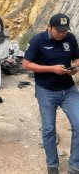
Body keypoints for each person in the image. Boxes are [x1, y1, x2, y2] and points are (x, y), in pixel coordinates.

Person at [22, 13, 79, 174]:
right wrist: (52, 69)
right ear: (50, 27)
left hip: (69, 90)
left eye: (64, 31)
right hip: (46, 90)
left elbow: (77, 59)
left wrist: (74, 68)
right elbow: (26, 64)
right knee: (48, 129)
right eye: (58, 31)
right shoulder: (37, 41)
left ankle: (75, 166)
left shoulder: (71, 39)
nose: (62, 34)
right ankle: (52, 164)